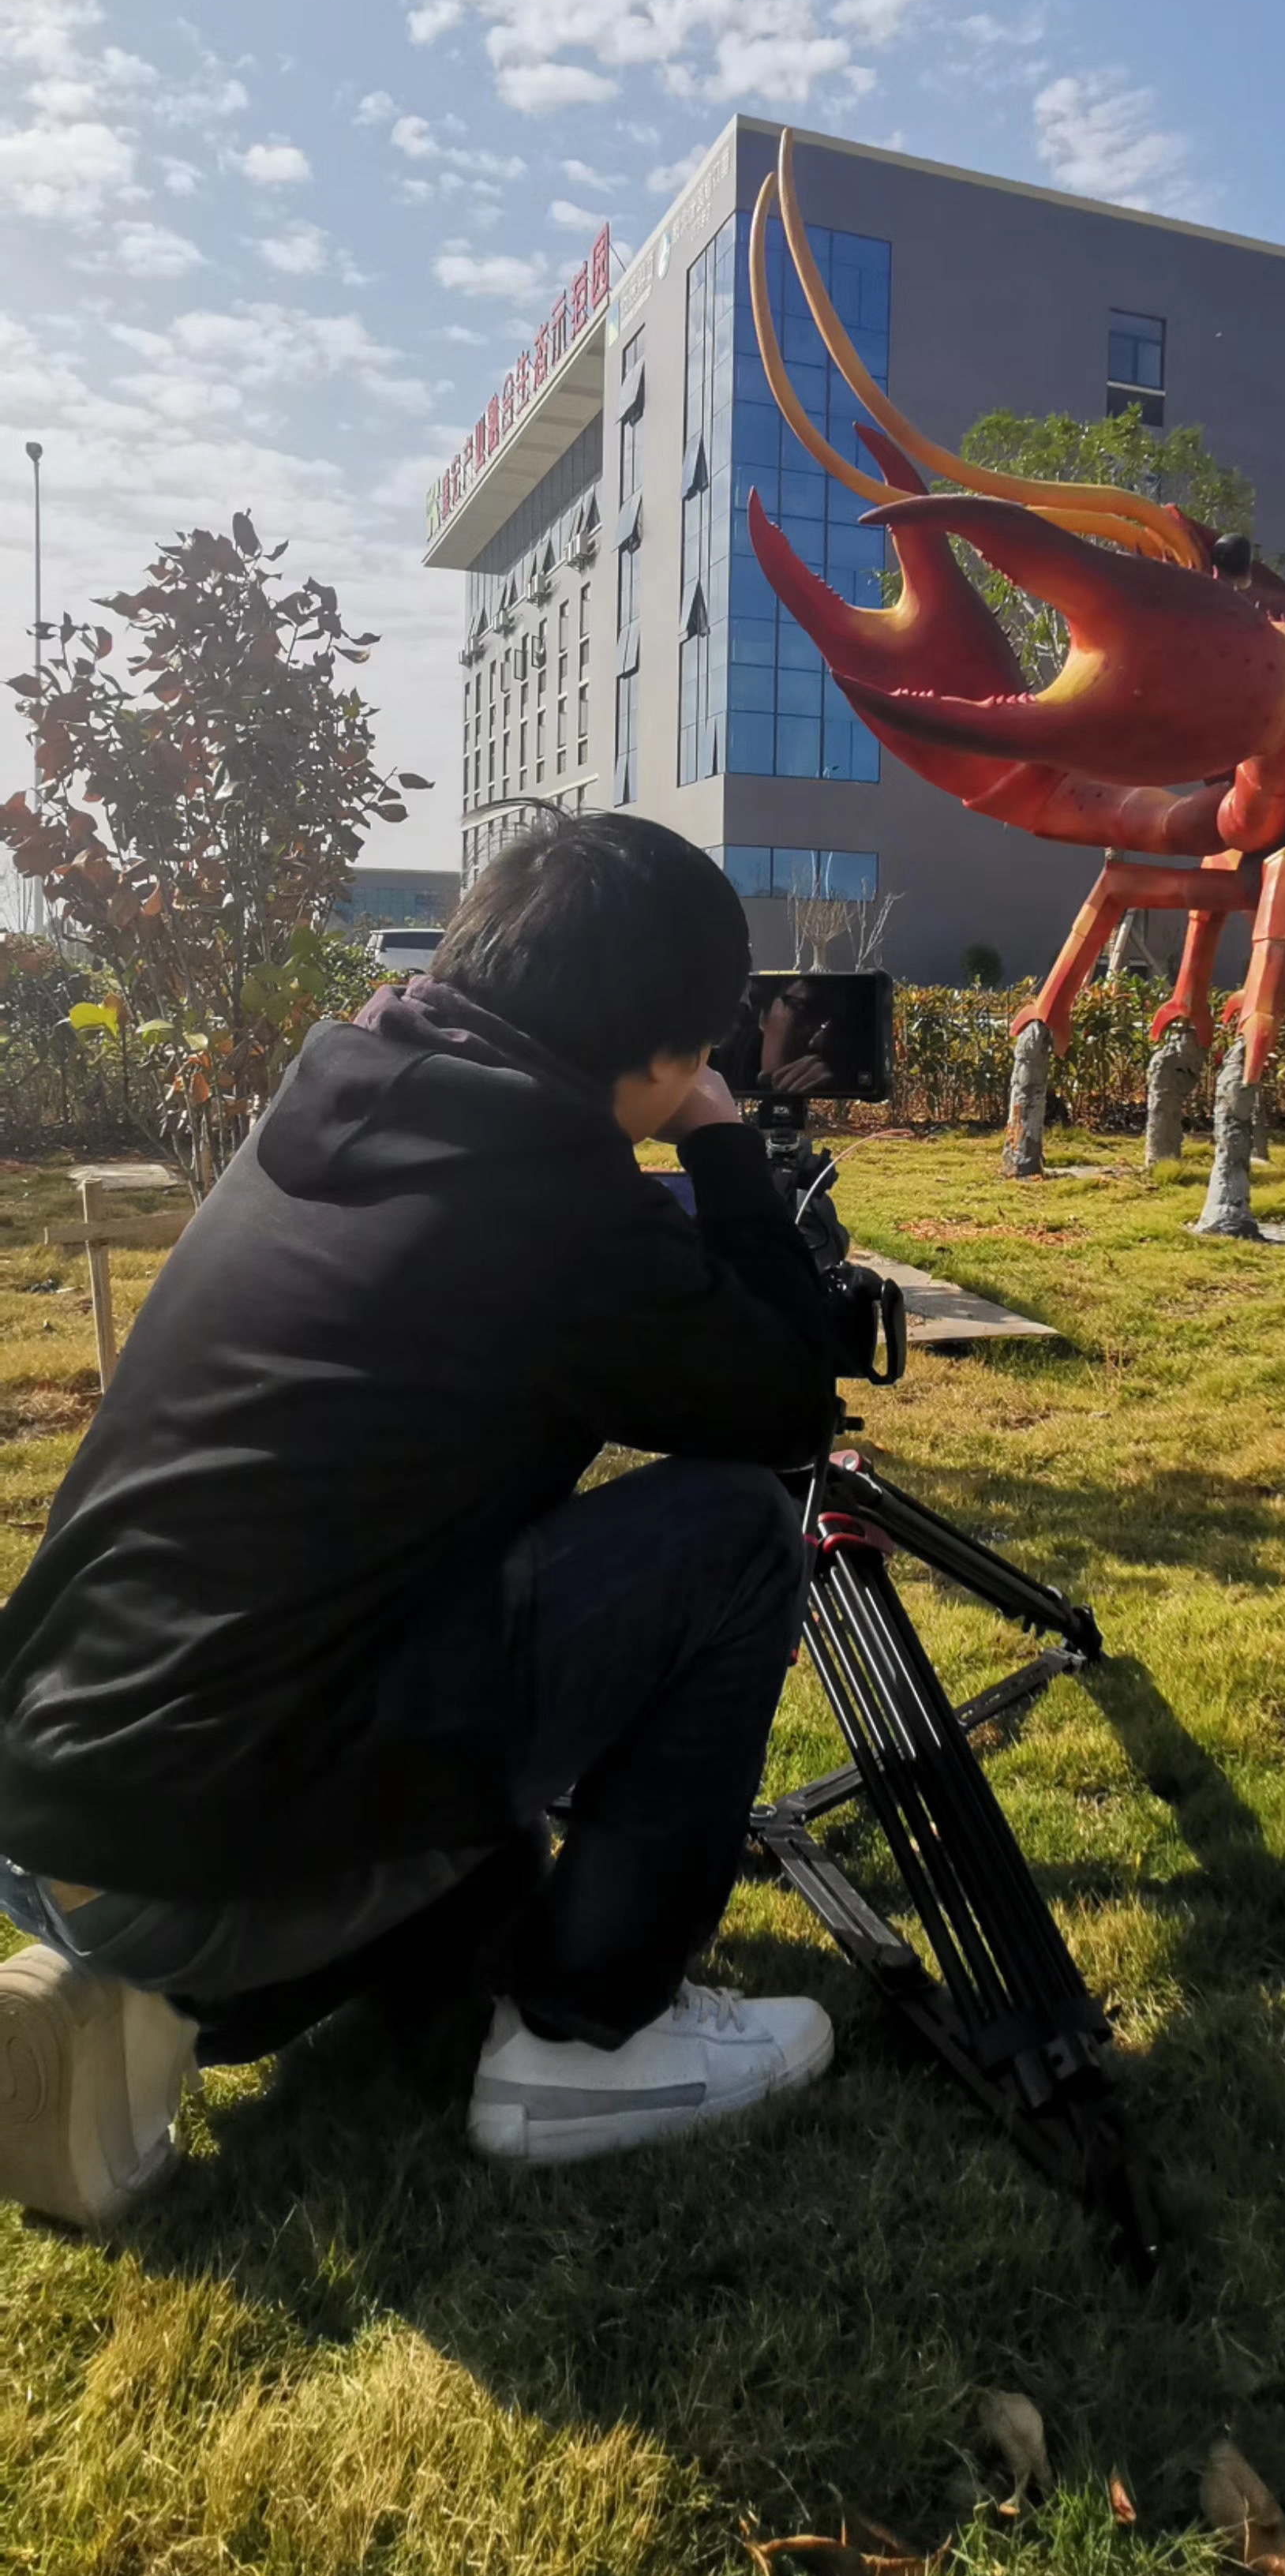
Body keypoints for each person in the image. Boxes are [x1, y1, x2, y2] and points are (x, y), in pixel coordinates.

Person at [0, 812, 841, 2229]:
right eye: (694, 1053)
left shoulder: (324, 1097)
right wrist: (722, 1154)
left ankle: (138, 1983)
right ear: (660, 1050)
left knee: (498, 1872)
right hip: (207, 1813)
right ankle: (591, 2047)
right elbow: (783, 1410)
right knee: (732, 1534)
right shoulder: (560, 1200)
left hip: (56, 1786)